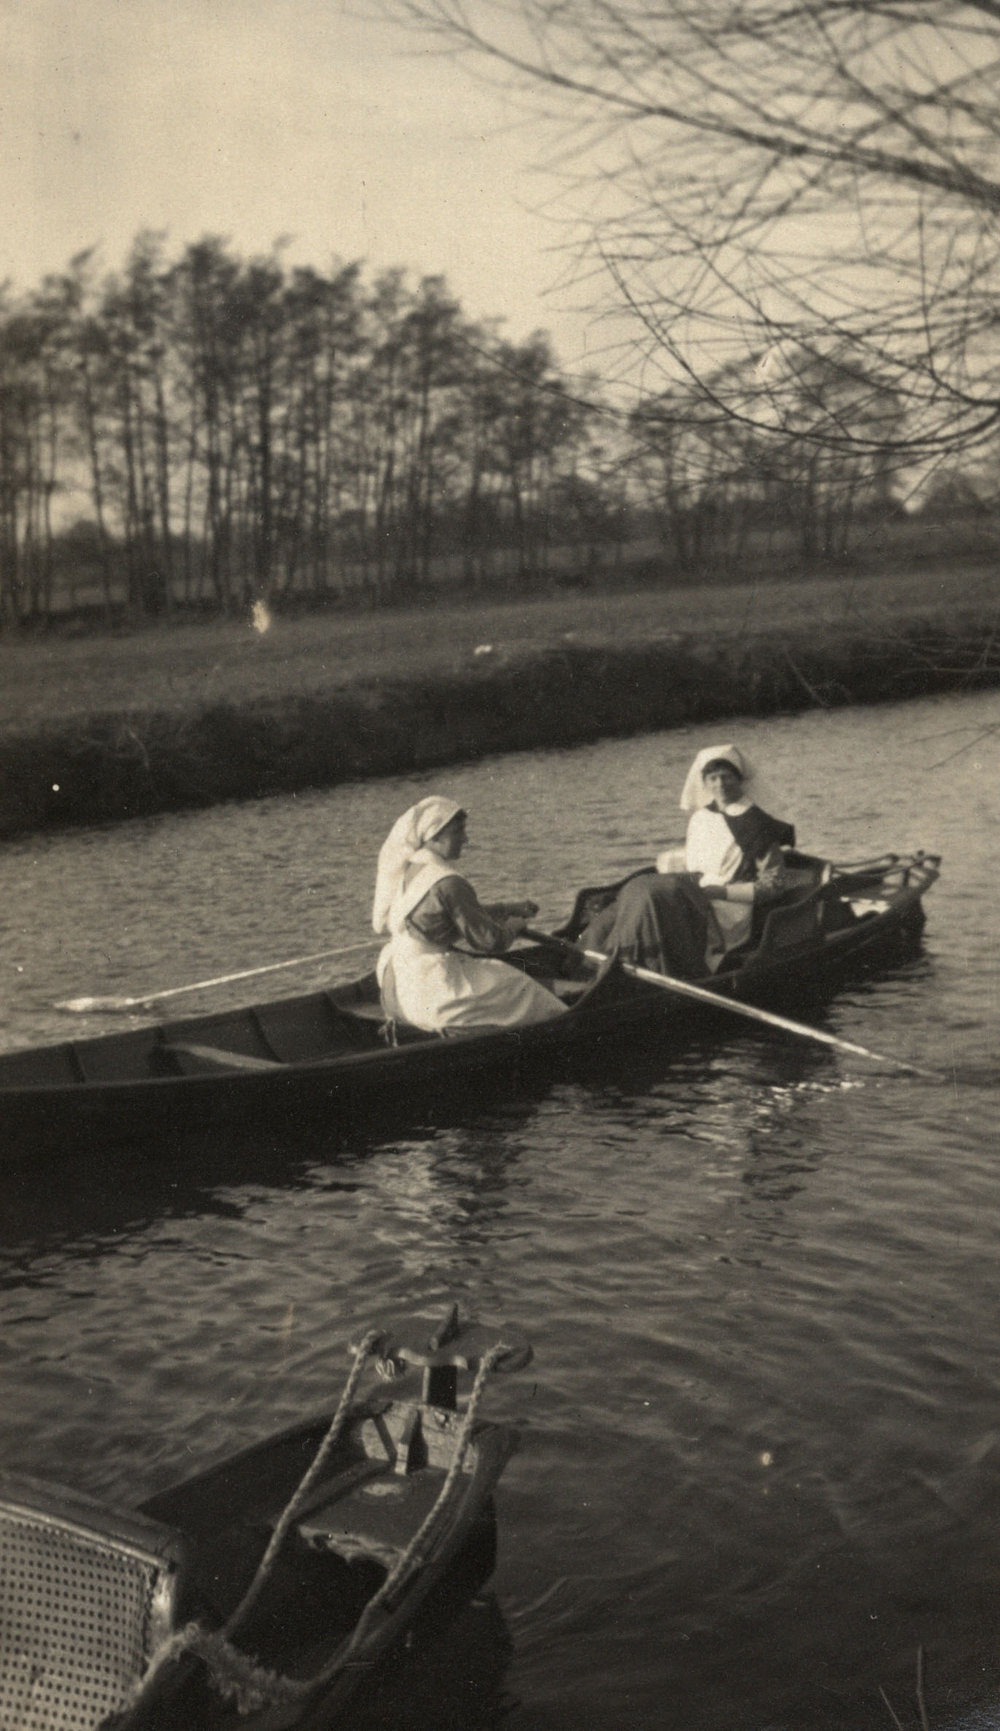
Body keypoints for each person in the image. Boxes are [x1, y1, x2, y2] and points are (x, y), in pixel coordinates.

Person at [578, 743, 796, 977]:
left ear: (740, 779)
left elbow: (774, 885)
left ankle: (638, 967)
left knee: (652, 898)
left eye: (727, 777)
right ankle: (594, 963)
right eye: (713, 778)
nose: (720, 785)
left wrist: (718, 892)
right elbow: (699, 858)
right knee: (635, 891)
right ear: (704, 783)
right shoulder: (702, 817)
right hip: (693, 891)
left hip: (727, 906)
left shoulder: (758, 824)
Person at [372, 794, 568, 1032]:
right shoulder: (448, 882)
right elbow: (491, 941)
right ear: (435, 835)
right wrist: (515, 925)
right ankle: (566, 1025)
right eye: (458, 832)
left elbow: (450, 914)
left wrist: (507, 909)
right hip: (429, 992)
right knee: (521, 987)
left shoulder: (412, 869)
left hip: (395, 982)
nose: (466, 839)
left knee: (497, 977)